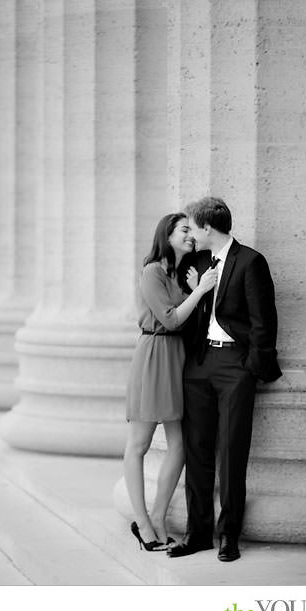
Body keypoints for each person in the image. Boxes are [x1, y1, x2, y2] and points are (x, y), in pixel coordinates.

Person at [167, 196, 282, 562]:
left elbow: (265, 322)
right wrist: (195, 288)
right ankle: (196, 533)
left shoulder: (251, 261)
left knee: (232, 451)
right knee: (197, 450)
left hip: (235, 365)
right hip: (199, 364)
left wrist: (251, 365)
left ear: (207, 228)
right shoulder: (197, 262)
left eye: (193, 227)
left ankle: (229, 535)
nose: (191, 234)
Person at [123, 212, 217, 551]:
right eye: (184, 230)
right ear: (167, 233)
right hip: (153, 356)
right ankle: (142, 521)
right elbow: (171, 319)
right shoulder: (152, 272)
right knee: (139, 444)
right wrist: (202, 290)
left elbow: (190, 323)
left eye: (192, 230)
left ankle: (159, 515)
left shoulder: (181, 275)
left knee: (179, 444)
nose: (191, 235)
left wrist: (196, 290)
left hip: (177, 358)